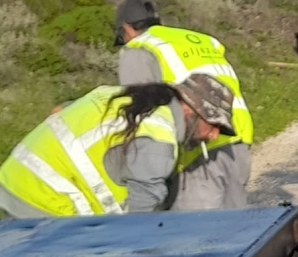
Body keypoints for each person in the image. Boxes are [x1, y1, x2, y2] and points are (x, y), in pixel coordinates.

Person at [0, 74, 235, 219]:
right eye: (213, 123)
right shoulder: (158, 139)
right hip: (45, 200)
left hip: (16, 181)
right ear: (189, 109)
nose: (214, 136)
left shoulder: (128, 98)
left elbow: (61, 110)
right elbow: (140, 222)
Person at [113, 0, 253, 211]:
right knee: (238, 232)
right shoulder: (199, 39)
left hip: (196, 150)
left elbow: (139, 109)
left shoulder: (139, 48)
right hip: (237, 140)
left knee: (198, 237)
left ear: (126, 29)